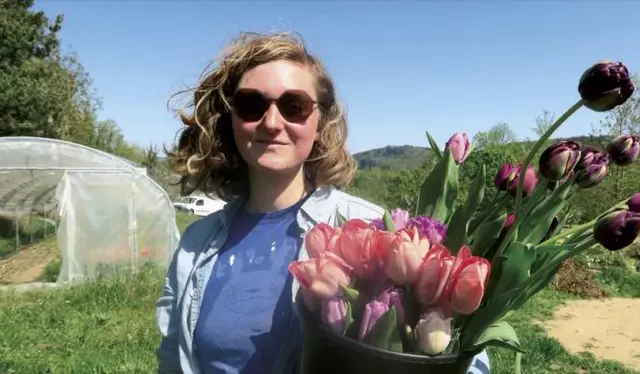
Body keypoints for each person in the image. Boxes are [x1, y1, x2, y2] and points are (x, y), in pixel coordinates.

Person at [156, 31, 491, 374]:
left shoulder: (372, 231)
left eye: (294, 106)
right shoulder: (196, 245)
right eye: (251, 104)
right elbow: (172, 356)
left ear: (320, 122)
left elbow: (469, 361)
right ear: (232, 119)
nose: (272, 122)